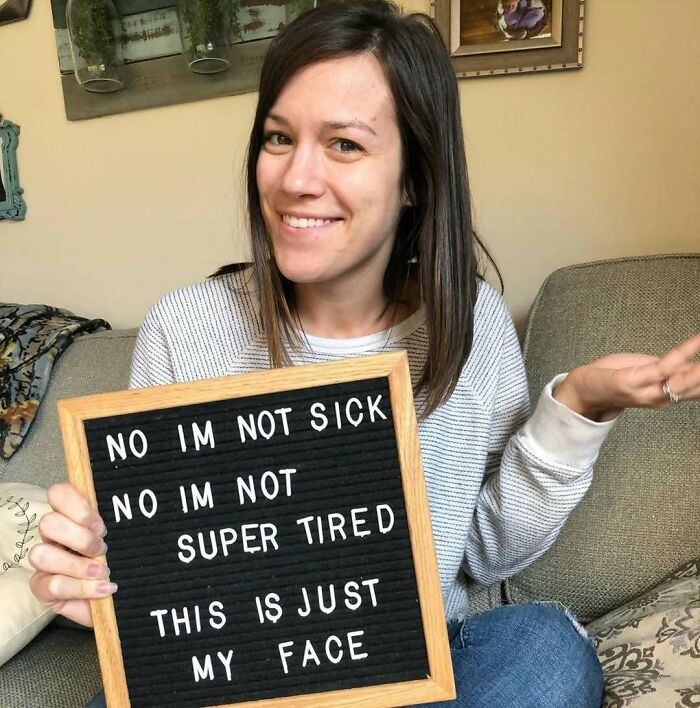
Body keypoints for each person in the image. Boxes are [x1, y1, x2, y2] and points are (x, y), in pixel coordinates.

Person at [29, 1, 700, 706]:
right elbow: (172, 572)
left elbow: (485, 553)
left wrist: (577, 408)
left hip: (418, 670)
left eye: (344, 144)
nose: (295, 179)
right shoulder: (184, 330)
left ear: (413, 178)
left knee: (546, 645)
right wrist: (95, 577)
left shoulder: (469, 325)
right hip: (248, 682)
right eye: (278, 138)